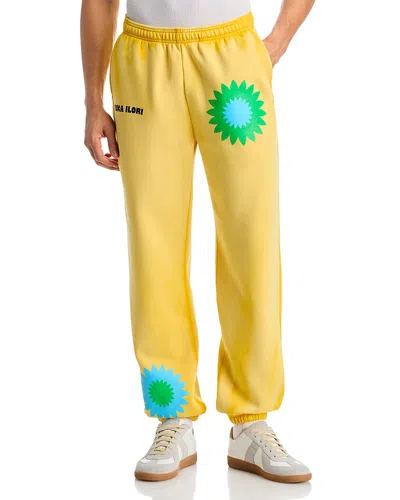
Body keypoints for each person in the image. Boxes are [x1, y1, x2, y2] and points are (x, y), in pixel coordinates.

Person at [81, 0, 315, 484]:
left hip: (233, 60)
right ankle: (173, 418)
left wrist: (277, 41)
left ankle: (251, 420)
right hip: (145, 64)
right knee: (153, 242)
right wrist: (91, 102)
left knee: (252, 237)